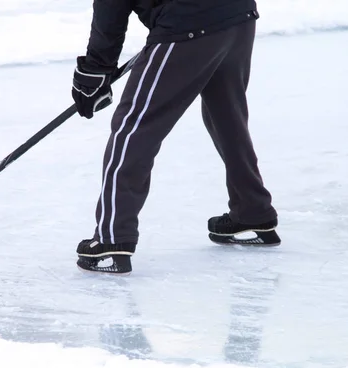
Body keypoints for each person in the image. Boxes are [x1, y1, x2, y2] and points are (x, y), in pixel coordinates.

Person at [72, 0, 280, 276]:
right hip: (237, 16)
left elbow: (111, 9)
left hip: (188, 25)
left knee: (134, 127)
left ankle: (112, 239)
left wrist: (94, 71)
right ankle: (253, 212)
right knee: (227, 117)